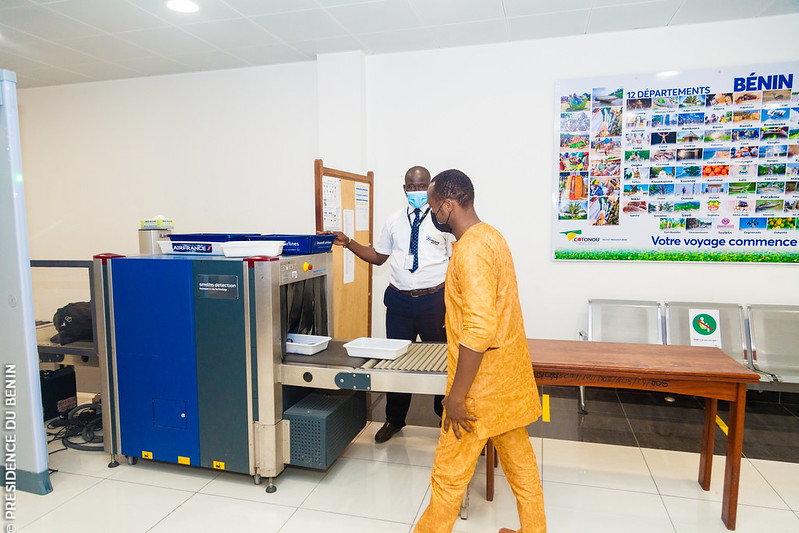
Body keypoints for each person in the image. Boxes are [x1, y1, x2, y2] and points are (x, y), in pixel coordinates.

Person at [414, 169, 546, 533]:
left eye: (432, 207)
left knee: (448, 476)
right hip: (509, 382)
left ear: (448, 205)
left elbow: (480, 328)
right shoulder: (491, 236)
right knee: (521, 466)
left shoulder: (470, 249)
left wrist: (456, 397)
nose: (432, 215)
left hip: (478, 391)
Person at [328, 166, 453, 443]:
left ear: (430, 186)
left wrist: (452, 303)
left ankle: (445, 419)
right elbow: (379, 257)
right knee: (397, 361)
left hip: (435, 301)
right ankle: (394, 420)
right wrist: (348, 242)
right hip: (398, 302)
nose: (416, 191)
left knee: (445, 362)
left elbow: (457, 262)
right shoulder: (394, 220)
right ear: (405, 189)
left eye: (422, 186)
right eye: (411, 186)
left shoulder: (443, 221)